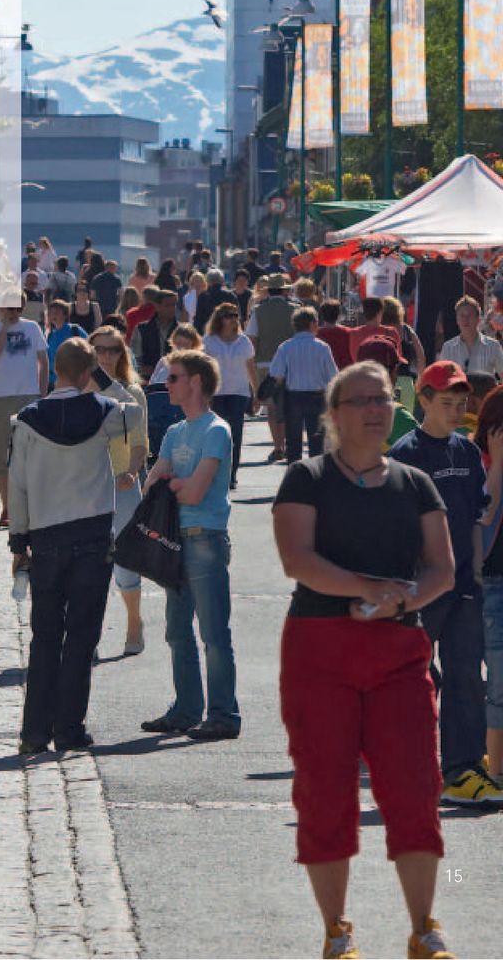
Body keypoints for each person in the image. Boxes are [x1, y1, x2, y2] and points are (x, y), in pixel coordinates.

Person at [272, 360, 458, 960]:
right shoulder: (306, 478)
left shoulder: (415, 483)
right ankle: (336, 931)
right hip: (319, 649)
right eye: (361, 401)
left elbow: (442, 569)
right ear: (334, 415)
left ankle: (425, 928)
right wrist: (365, 590)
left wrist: (399, 599)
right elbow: (297, 560)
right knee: (324, 790)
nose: (377, 409)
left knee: (414, 786)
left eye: (382, 399)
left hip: (399, 650)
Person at [8, 337, 143, 754]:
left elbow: (18, 485)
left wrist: (18, 540)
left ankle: (34, 731)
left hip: (46, 535)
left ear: (54, 369)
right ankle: (69, 728)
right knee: (82, 636)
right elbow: (134, 413)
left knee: (44, 635)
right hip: (91, 533)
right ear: (88, 373)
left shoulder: (27, 419)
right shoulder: (105, 411)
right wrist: (104, 380)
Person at [389, 361, 503, 805]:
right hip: (420, 591)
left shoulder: (467, 451)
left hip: (464, 590)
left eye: (461, 403)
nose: (456, 411)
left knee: (465, 680)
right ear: (424, 401)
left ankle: (463, 771)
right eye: (447, 403)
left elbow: (479, 517)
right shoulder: (406, 453)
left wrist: (474, 571)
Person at [140, 349, 240, 741]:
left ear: (195, 382)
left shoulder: (217, 430)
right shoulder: (174, 432)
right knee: (177, 631)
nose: (168, 385)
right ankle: (186, 709)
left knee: (214, 634)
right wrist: (174, 485)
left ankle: (223, 713)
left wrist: (174, 484)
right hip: (176, 540)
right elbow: (152, 486)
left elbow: (195, 492)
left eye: (174, 378)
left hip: (206, 540)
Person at [88, 327, 148, 655]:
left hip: (123, 483)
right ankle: (91, 635)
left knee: (125, 562)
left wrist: (132, 471)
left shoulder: (132, 392)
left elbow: (140, 443)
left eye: (113, 350)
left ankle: (134, 622)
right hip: (89, 487)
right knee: (92, 565)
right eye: (100, 350)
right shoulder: (82, 392)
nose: (106, 356)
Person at [0, 292, 49, 526]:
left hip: (27, 396)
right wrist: (3, 327)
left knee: (28, 452)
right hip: (0, 397)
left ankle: (28, 506)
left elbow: (43, 360)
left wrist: (42, 393)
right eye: (10, 308)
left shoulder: (32, 327)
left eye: (18, 308)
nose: (15, 313)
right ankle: (8, 505)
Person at [472, 387, 503, 787]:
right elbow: (483, 515)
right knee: (497, 684)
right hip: (493, 586)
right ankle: (495, 771)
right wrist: (498, 465)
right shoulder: (477, 464)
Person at [269, 308, 339, 465]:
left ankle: (295, 478)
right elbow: (333, 376)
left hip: (293, 397)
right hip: (317, 397)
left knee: (293, 442)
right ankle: (315, 478)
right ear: (312, 324)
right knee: (316, 443)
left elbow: (277, 374)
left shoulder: (285, 347)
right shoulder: (322, 347)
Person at [204, 303, 258, 488]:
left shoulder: (244, 342)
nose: (233, 318)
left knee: (235, 434)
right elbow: (204, 370)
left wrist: (257, 393)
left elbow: (251, 368)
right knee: (217, 434)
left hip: (239, 393)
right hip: (216, 393)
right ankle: (217, 472)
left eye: (235, 315)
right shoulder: (209, 341)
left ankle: (232, 474)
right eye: (228, 315)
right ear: (220, 318)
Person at [246, 274, 298, 463]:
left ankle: (278, 446)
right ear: (284, 290)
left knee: (272, 407)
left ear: (268, 291)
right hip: (290, 363)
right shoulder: (296, 309)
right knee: (289, 405)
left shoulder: (258, 311)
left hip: (265, 362)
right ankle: (288, 443)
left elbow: (252, 339)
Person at [439, 296, 503, 379]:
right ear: (457, 320)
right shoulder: (448, 348)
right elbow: (442, 379)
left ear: (478, 319)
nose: (465, 319)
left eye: (469, 315)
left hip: (485, 391)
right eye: (462, 316)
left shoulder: (494, 346)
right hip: (459, 391)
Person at [131, 288, 179, 381]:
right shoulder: (141, 329)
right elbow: (135, 357)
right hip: (147, 381)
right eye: (167, 305)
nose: (172, 309)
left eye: (174, 305)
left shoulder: (181, 330)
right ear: (157, 306)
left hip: (175, 380)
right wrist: (142, 369)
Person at [347, 296, 403, 365]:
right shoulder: (391, 332)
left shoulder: (354, 333)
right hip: (384, 373)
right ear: (380, 312)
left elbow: (354, 358)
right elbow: (398, 357)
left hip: (363, 372)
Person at [45, 300, 87, 389]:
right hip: (54, 383)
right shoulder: (50, 335)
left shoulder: (75, 330)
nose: (53, 315)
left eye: (56, 312)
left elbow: (89, 349)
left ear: (65, 315)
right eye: (50, 313)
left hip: (74, 381)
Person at [193, 268, 238, 336]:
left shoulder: (203, 296)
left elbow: (198, 320)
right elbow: (236, 317)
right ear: (222, 280)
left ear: (208, 281)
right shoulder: (231, 296)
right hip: (227, 334)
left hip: (207, 333)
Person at [316, 299, 354, 373]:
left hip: (322, 375)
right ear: (338, 314)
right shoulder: (349, 333)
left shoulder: (316, 334)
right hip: (343, 374)